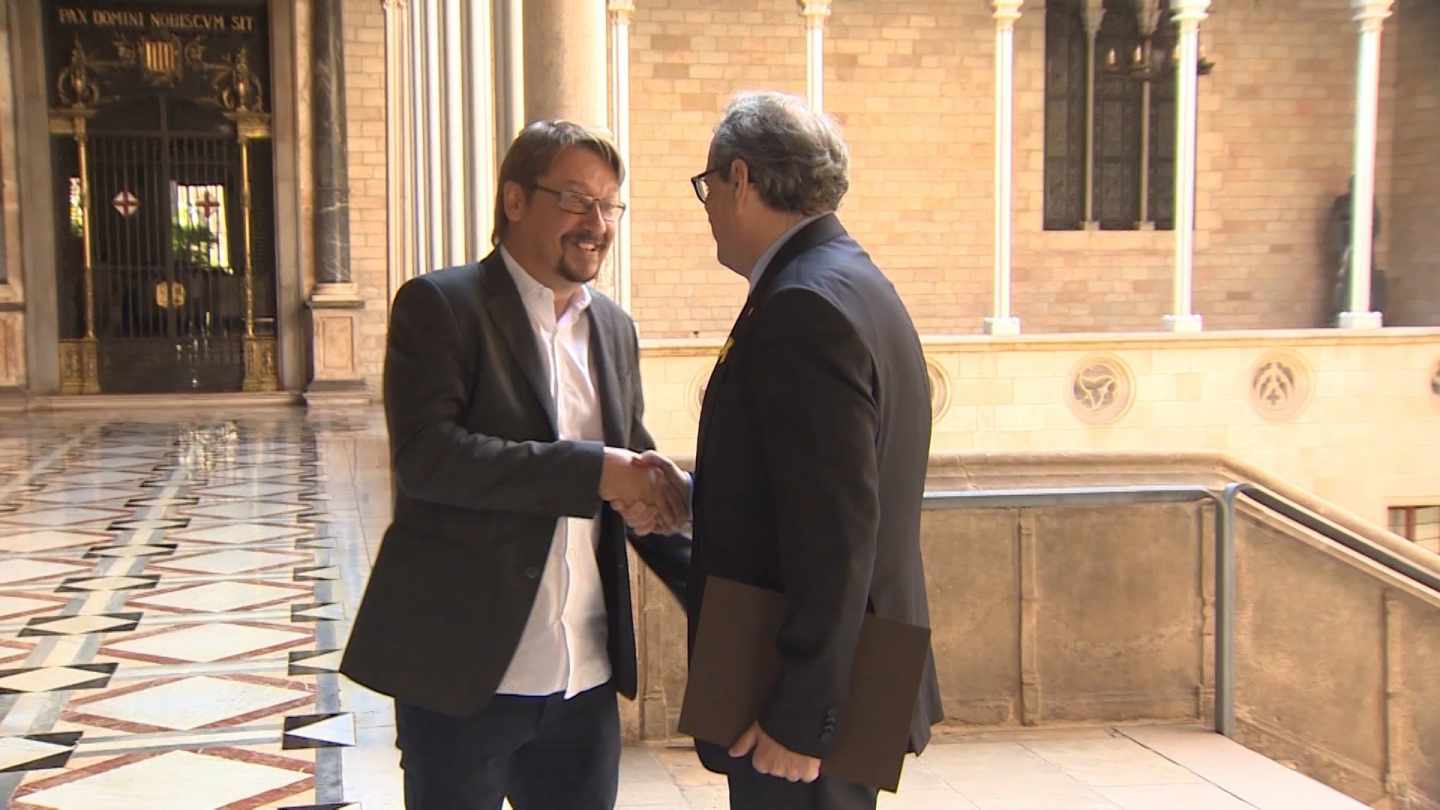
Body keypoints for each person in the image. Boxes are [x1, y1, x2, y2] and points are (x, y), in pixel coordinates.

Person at [340, 121, 690, 810]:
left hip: (583, 681)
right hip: (465, 675)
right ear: (515, 201)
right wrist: (594, 473)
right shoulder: (441, 306)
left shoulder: (614, 328)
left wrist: (719, 588)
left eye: (609, 205)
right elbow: (428, 459)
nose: (597, 223)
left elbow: (632, 476)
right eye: (574, 199)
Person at [636, 91, 944, 810]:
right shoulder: (848, 278)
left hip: (803, 696)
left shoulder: (803, 305)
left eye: (707, 186)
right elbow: (810, 488)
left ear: (740, 180)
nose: (706, 204)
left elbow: (838, 532)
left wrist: (802, 714)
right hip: (841, 671)